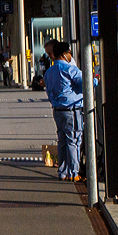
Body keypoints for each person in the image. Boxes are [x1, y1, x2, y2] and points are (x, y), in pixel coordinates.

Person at [43, 40, 84, 182]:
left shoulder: (49, 72)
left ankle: (62, 172)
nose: (70, 55)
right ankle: (74, 173)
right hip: (72, 109)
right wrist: (95, 80)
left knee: (62, 141)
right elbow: (86, 82)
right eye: (69, 53)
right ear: (64, 54)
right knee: (73, 140)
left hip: (57, 110)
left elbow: (48, 91)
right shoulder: (70, 69)